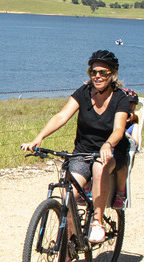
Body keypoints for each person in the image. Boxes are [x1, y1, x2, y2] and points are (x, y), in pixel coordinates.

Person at [21, 49, 137, 245]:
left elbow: (118, 129)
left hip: (112, 151)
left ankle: (97, 222)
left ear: (113, 75)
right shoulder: (83, 93)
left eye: (103, 73)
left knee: (100, 167)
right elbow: (61, 116)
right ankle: (72, 240)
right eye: (94, 72)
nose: (97, 76)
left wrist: (108, 144)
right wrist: (39, 138)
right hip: (83, 151)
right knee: (68, 195)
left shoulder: (120, 99)